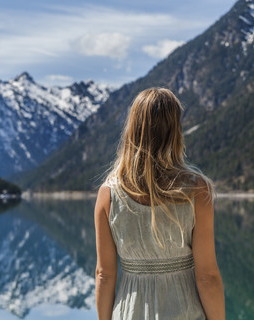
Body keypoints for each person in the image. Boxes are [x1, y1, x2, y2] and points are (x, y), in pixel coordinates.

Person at [94, 87, 225, 320]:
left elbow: (104, 275)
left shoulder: (108, 195)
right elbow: (207, 277)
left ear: (132, 130)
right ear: (175, 131)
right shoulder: (196, 191)